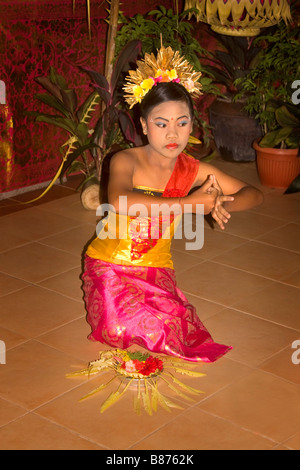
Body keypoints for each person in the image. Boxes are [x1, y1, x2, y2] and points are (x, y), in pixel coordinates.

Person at [82, 46, 263, 363]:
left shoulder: (192, 169)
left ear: (192, 124)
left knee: (169, 332)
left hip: (156, 268)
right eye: (161, 123)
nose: (172, 133)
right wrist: (191, 202)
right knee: (118, 332)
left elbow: (254, 193)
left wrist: (219, 204)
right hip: (110, 266)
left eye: (182, 122)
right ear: (143, 125)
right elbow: (121, 201)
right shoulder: (125, 159)